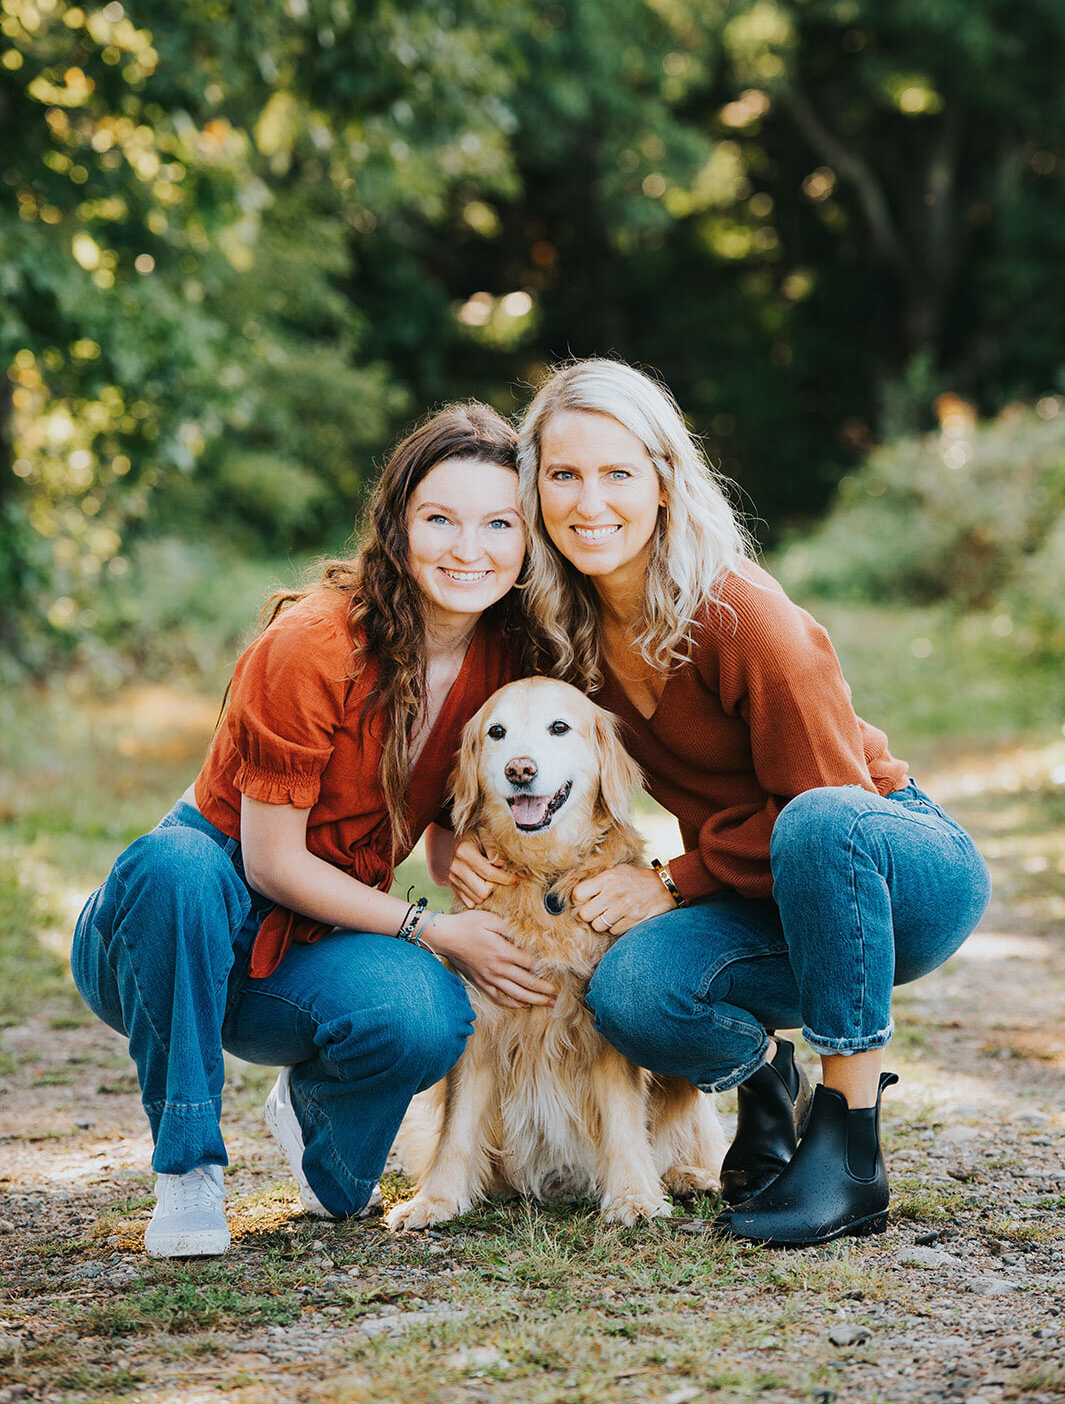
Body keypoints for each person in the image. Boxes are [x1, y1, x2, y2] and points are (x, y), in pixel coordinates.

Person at [449, 359, 991, 1248]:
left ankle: (847, 1148)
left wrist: (674, 879)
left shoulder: (742, 617)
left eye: (618, 473)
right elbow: (481, 731)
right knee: (630, 993)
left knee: (817, 823)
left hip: (894, 874)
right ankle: (764, 1078)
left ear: (664, 482)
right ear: (534, 489)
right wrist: (448, 838)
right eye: (564, 475)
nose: (590, 501)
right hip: (758, 897)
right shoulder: (563, 628)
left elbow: (831, 805)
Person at [71, 403, 556, 1258]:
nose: (466, 548)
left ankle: (315, 1120)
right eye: (438, 519)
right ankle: (187, 1167)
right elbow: (269, 861)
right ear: (396, 526)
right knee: (176, 865)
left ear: (527, 542)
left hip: (308, 941)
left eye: (498, 524)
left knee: (429, 1015)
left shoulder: (506, 655)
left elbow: (442, 804)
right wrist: (431, 926)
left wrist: (459, 853)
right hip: (172, 928)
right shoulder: (314, 642)